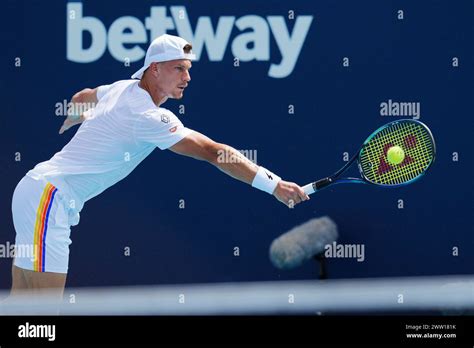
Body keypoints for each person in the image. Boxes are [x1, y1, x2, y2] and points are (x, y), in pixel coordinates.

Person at [10, 34, 309, 299]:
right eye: (178, 68)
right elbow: (214, 152)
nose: (187, 77)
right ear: (155, 68)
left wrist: (74, 116)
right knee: (42, 314)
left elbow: (83, 96)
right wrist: (274, 184)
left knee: (21, 307)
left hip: (36, 192)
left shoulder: (121, 88)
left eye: (188, 69)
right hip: (50, 199)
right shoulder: (148, 116)